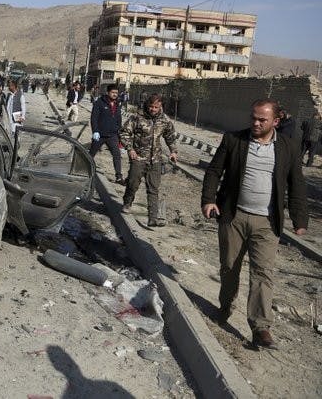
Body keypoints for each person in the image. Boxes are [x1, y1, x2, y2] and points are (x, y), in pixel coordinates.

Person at [201, 98, 308, 350]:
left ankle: (260, 327)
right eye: (254, 118)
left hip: (267, 222)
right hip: (233, 216)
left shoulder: (288, 147)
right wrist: (208, 200)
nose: (256, 123)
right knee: (229, 267)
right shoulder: (234, 140)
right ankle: (226, 305)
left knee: (262, 273)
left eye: (262, 120)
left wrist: (299, 218)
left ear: (276, 121)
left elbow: (297, 184)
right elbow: (214, 171)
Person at [120, 94, 178, 227]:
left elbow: (170, 137)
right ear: (147, 105)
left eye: (156, 107)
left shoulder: (164, 120)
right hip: (138, 157)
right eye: (151, 106)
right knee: (133, 183)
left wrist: (173, 151)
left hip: (155, 159)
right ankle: (127, 202)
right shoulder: (137, 117)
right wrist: (130, 149)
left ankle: (153, 218)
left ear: (160, 106)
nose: (153, 109)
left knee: (153, 189)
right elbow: (124, 132)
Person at [90, 84, 125, 184]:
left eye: (116, 93)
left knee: (117, 155)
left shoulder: (117, 104)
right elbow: (94, 118)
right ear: (108, 92)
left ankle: (118, 177)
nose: (115, 95)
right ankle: (83, 170)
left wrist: (119, 135)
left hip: (112, 136)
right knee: (91, 153)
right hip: (100, 135)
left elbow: (119, 120)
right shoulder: (99, 103)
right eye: (113, 92)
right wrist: (95, 131)